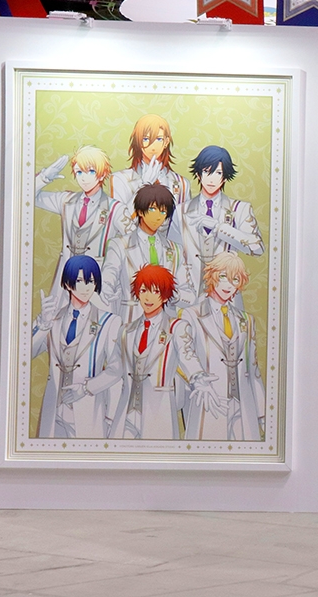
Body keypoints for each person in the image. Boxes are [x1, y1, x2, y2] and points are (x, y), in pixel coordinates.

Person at [32, 255, 122, 439]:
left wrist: (86, 388)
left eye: (91, 281)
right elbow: (25, 355)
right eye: (80, 281)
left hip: (88, 411)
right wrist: (43, 325)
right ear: (67, 283)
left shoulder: (108, 321)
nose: (86, 287)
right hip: (54, 412)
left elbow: (116, 368)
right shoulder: (52, 318)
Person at [179, 252, 265, 441]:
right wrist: (198, 379)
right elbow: (183, 353)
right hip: (211, 401)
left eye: (235, 279)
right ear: (212, 276)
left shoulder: (246, 320)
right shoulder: (191, 315)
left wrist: (262, 414)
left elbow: (254, 371)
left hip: (243, 406)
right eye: (223, 276)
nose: (228, 284)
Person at [110, 265, 198, 440]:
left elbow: (188, 356)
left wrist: (199, 377)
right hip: (126, 412)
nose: (148, 297)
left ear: (165, 295)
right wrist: (86, 387)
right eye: (143, 290)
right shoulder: (126, 331)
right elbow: (114, 370)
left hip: (159, 412)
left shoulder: (176, 328)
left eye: (155, 291)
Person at [34, 146, 129, 302]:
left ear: (102, 174)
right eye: (79, 172)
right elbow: (29, 197)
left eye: (90, 171)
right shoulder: (66, 200)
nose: (84, 178)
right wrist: (44, 177)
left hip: (97, 282)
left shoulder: (115, 208)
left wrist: (114, 280)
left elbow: (132, 243)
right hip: (65, 282)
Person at [100, 184, 196, 322]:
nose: (158, 217)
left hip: (165, 325)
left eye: (163, 212)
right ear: (140, 211)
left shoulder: (175, 249)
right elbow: (106, 284)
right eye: (152, 209)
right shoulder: (119, 245)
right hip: (129, 321)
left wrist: (170, 294)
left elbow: (190, 296)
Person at [180, 145, 264, 297]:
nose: (212, 179)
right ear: (198, 174)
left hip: (226, 295)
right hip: (190, 298)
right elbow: (174, 252)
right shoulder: (181, 211)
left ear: (225, 177)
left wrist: (220, 228)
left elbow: (257, 248)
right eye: (207, 171)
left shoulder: (240, 209)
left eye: (218, 173)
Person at [110, 114, 191, 231]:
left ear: (166, 141)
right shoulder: (120, 179)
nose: (153, 146)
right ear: (138, 141)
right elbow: (119, 223)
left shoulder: (181, 184)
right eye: (146, 139)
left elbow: (185, 227)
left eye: (159, 139)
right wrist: (143, 185)